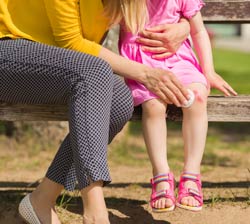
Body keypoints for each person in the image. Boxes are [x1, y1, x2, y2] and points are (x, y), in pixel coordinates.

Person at [0, 1, 192, 223]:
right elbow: (71, 43)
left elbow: (169, 5)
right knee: (93, 72)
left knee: (119, 102)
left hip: (55, 65)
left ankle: (42, 199)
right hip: (7, 50)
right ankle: (95, 212)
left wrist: (185, 25)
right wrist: (146, 74)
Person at [107, 0, 238, 212]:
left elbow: (199, 31)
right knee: (154, 106)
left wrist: (209, 71)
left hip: (178, 59)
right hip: (142, 64)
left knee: (198, 97)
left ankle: (191, 175)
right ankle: (161, 176)